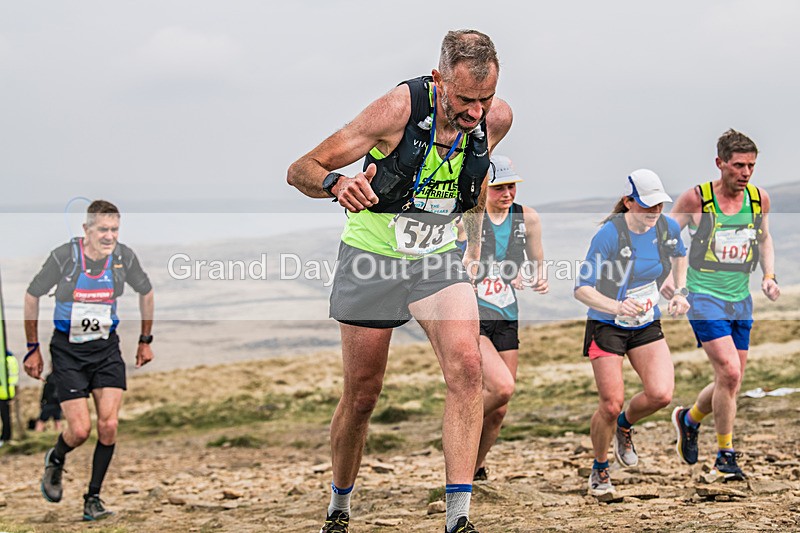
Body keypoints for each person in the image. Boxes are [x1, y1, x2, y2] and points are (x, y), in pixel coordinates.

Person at [287, 30, 512, 533]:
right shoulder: (396, 109)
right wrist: (337, 183)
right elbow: (301, 169)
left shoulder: (496, 119)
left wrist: (474, 244)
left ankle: (458, 517)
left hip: (437, 258)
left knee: (468, 367)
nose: (476, 112)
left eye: (486, 98)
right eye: (464, 99)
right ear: (439, 81)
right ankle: (339, 504)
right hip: (373, 258)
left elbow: (475, 180)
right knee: (363, 395)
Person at [23, 199, 154, 521]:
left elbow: (147, 291)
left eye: (115, 230)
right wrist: (32, 347)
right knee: (80, 431)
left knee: (109, 426)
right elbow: (32, 295)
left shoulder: (123, 258)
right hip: (68, 351)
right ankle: (56, 457)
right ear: (87, 229)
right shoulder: (64, 257)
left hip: (106, 350)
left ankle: (92, 499)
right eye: (103, 230)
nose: (109, 236)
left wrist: (145, 340)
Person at [668, 129, 780, 481]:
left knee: (730, 380)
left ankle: (689, 419)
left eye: (751, 166)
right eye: (738, 165)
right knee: (730, 373)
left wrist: (769, 276)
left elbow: (764, 238)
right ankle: (725, 456)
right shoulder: (697, 199)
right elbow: (665, 237)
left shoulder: (758, 199)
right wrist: (670, 280)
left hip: (740, 299)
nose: (746, 172)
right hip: (703, 296)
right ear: (720, 163)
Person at [574, 169, 690, 496]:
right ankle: (600, 469)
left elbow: (680, 257)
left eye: (659, 205)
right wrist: (616, 306)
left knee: (661, 394)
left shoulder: (666, 227)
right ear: (628, 202)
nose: (655, 212)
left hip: (645, 323)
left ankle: (624, 426)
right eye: (647, 205)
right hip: (606, 324)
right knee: (610, 404)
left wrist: (680, 292)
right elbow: (581, 289)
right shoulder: (609, 235)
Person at [455, 155, 548, 481]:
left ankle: (474, 471)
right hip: (473, 314)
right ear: (484, 188)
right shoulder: (468, 218)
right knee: (502, 388)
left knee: (500, 409)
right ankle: (457, 424)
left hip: (507, 313)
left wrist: (537, 277)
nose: (507, 193)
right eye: (498, 188)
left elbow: (537, 261)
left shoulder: (527, 218)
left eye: (511, 186)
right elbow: (449, 259)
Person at [1, 350, 20, 446]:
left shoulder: (3, 360)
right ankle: (6, 437)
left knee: (5, 416)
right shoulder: (12, 359)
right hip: (9, 391)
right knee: (6, 416)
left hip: (2, 391)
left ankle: (5, 437)